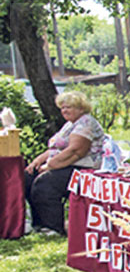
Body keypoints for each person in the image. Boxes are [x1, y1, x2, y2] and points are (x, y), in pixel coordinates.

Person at [24, 91, 105, 235]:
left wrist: (50, 165)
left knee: (45, 182)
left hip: (83, 169)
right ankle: (38, 223)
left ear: (81, 109)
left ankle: (53, 227)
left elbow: (75, 152)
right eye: (62, 108)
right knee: (28, 177)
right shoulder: (70, 124)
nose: (64, 111)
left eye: (69, 107)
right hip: (65, 164)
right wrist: (37, 161)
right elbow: (56, 148)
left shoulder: (86, 122)